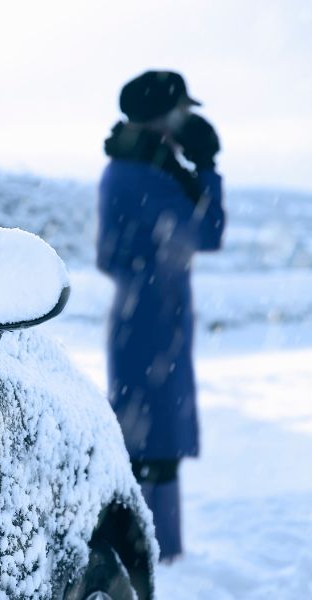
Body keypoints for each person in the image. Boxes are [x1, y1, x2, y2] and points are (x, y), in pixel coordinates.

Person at [96, 70, 226, 562]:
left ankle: (148, 550)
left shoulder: (143, 165)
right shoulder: (145, 172)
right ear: (162, 115)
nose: (188, 119)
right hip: (151, 321)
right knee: (152, 446)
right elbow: (208, 230)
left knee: (148, 442)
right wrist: (208, 166)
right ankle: (154, 555)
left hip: (149, 318)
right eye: (181, 110)